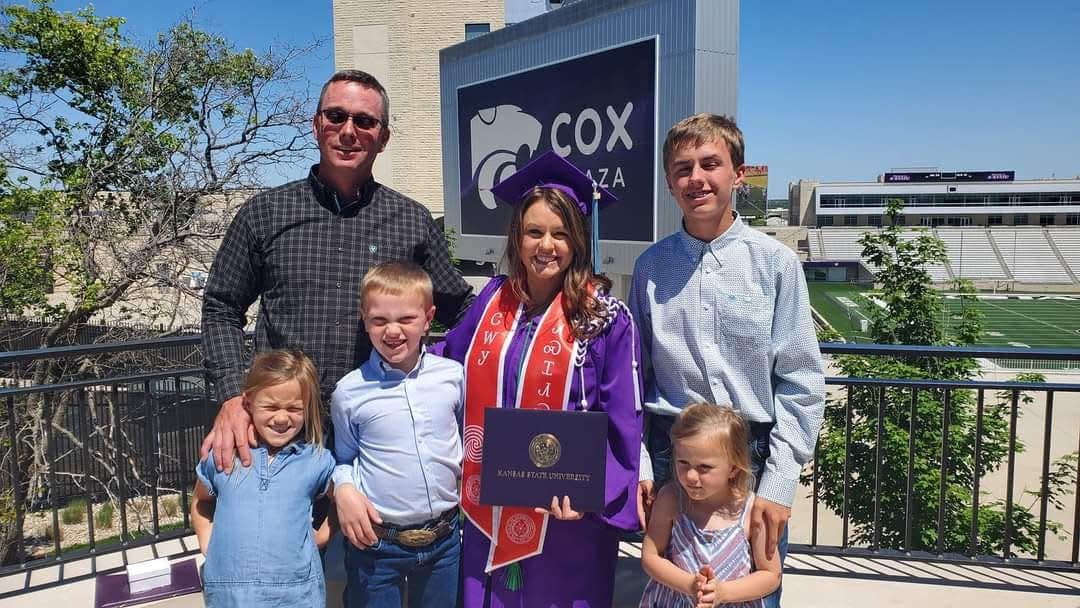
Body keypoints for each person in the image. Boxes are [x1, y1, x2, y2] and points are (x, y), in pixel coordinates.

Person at [200, 69, 472, 474]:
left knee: (368, 537)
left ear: (383, 138)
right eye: (335, 116)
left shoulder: (412, 221)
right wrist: (231, 397)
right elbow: (221, 306)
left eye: (364, 121)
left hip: (377, 437)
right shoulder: (264, 214)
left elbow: (463, 310)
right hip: (283, 428)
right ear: (316, 126)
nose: (348, 131)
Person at [631, 113, 825, 607]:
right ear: (670, 182)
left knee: (752, 594)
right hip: (671, 454)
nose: (695, 178)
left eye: (709, 164)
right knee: (670, 591)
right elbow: (634, 376)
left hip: (751, 458)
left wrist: (779, 484)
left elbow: (801, 381)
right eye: (681, 168)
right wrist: (642, 468)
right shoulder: (650, 267)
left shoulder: (775, 263)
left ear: (738, 174)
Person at [435, 151, 643, 608]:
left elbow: (623, 420)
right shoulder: (492, 300)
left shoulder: (605, 317)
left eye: (560, 233)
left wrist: (594, 491)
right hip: (487, 507)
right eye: (534, 232)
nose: (545, 245)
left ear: (579, 241)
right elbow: (448, 359)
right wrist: (395, 358)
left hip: (565, 517)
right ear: (517, 237)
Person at [330, 261, 464, 607]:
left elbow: (467, 439)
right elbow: (344, 457)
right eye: (379, 320)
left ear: (428, 317)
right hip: (377, 546)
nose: (393, 331)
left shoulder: (453, 377)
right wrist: (343, 487)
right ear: (365, 320)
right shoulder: (349, 391)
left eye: (406, 319)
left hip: (445, 542)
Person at [191, 349, 336, 607]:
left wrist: (323, 535)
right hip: (230, 596)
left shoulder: (317, 460)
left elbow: (340, 499)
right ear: (248, 404)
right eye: (270, 407)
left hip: (298, 596)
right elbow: (201, 500)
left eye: (294, 408)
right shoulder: (225, 457)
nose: (281, 418)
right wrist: (207, 539)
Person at [639, 403, 781, 608]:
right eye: (683, 463)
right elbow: (650, 556)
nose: (690, 476)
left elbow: (771, 574)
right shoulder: (671, 499)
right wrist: (689, 584)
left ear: (733, 468)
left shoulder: (751, 510)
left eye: (704, 467)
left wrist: (723, 592)